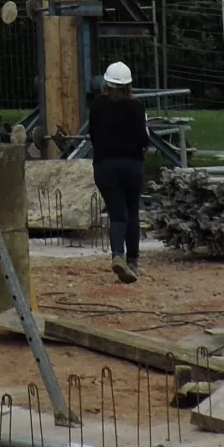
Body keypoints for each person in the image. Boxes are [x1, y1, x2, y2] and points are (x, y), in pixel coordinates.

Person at [87, 60, 150, 284]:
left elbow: (93, 136)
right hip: (131, 166)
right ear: (128, 85)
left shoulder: (96, 106)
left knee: (117, 214)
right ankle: (133, 261)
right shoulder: (136, 108)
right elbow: (144, 139)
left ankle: (117, 255)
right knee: (132, 212)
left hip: (104, 167)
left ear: (106, 83)